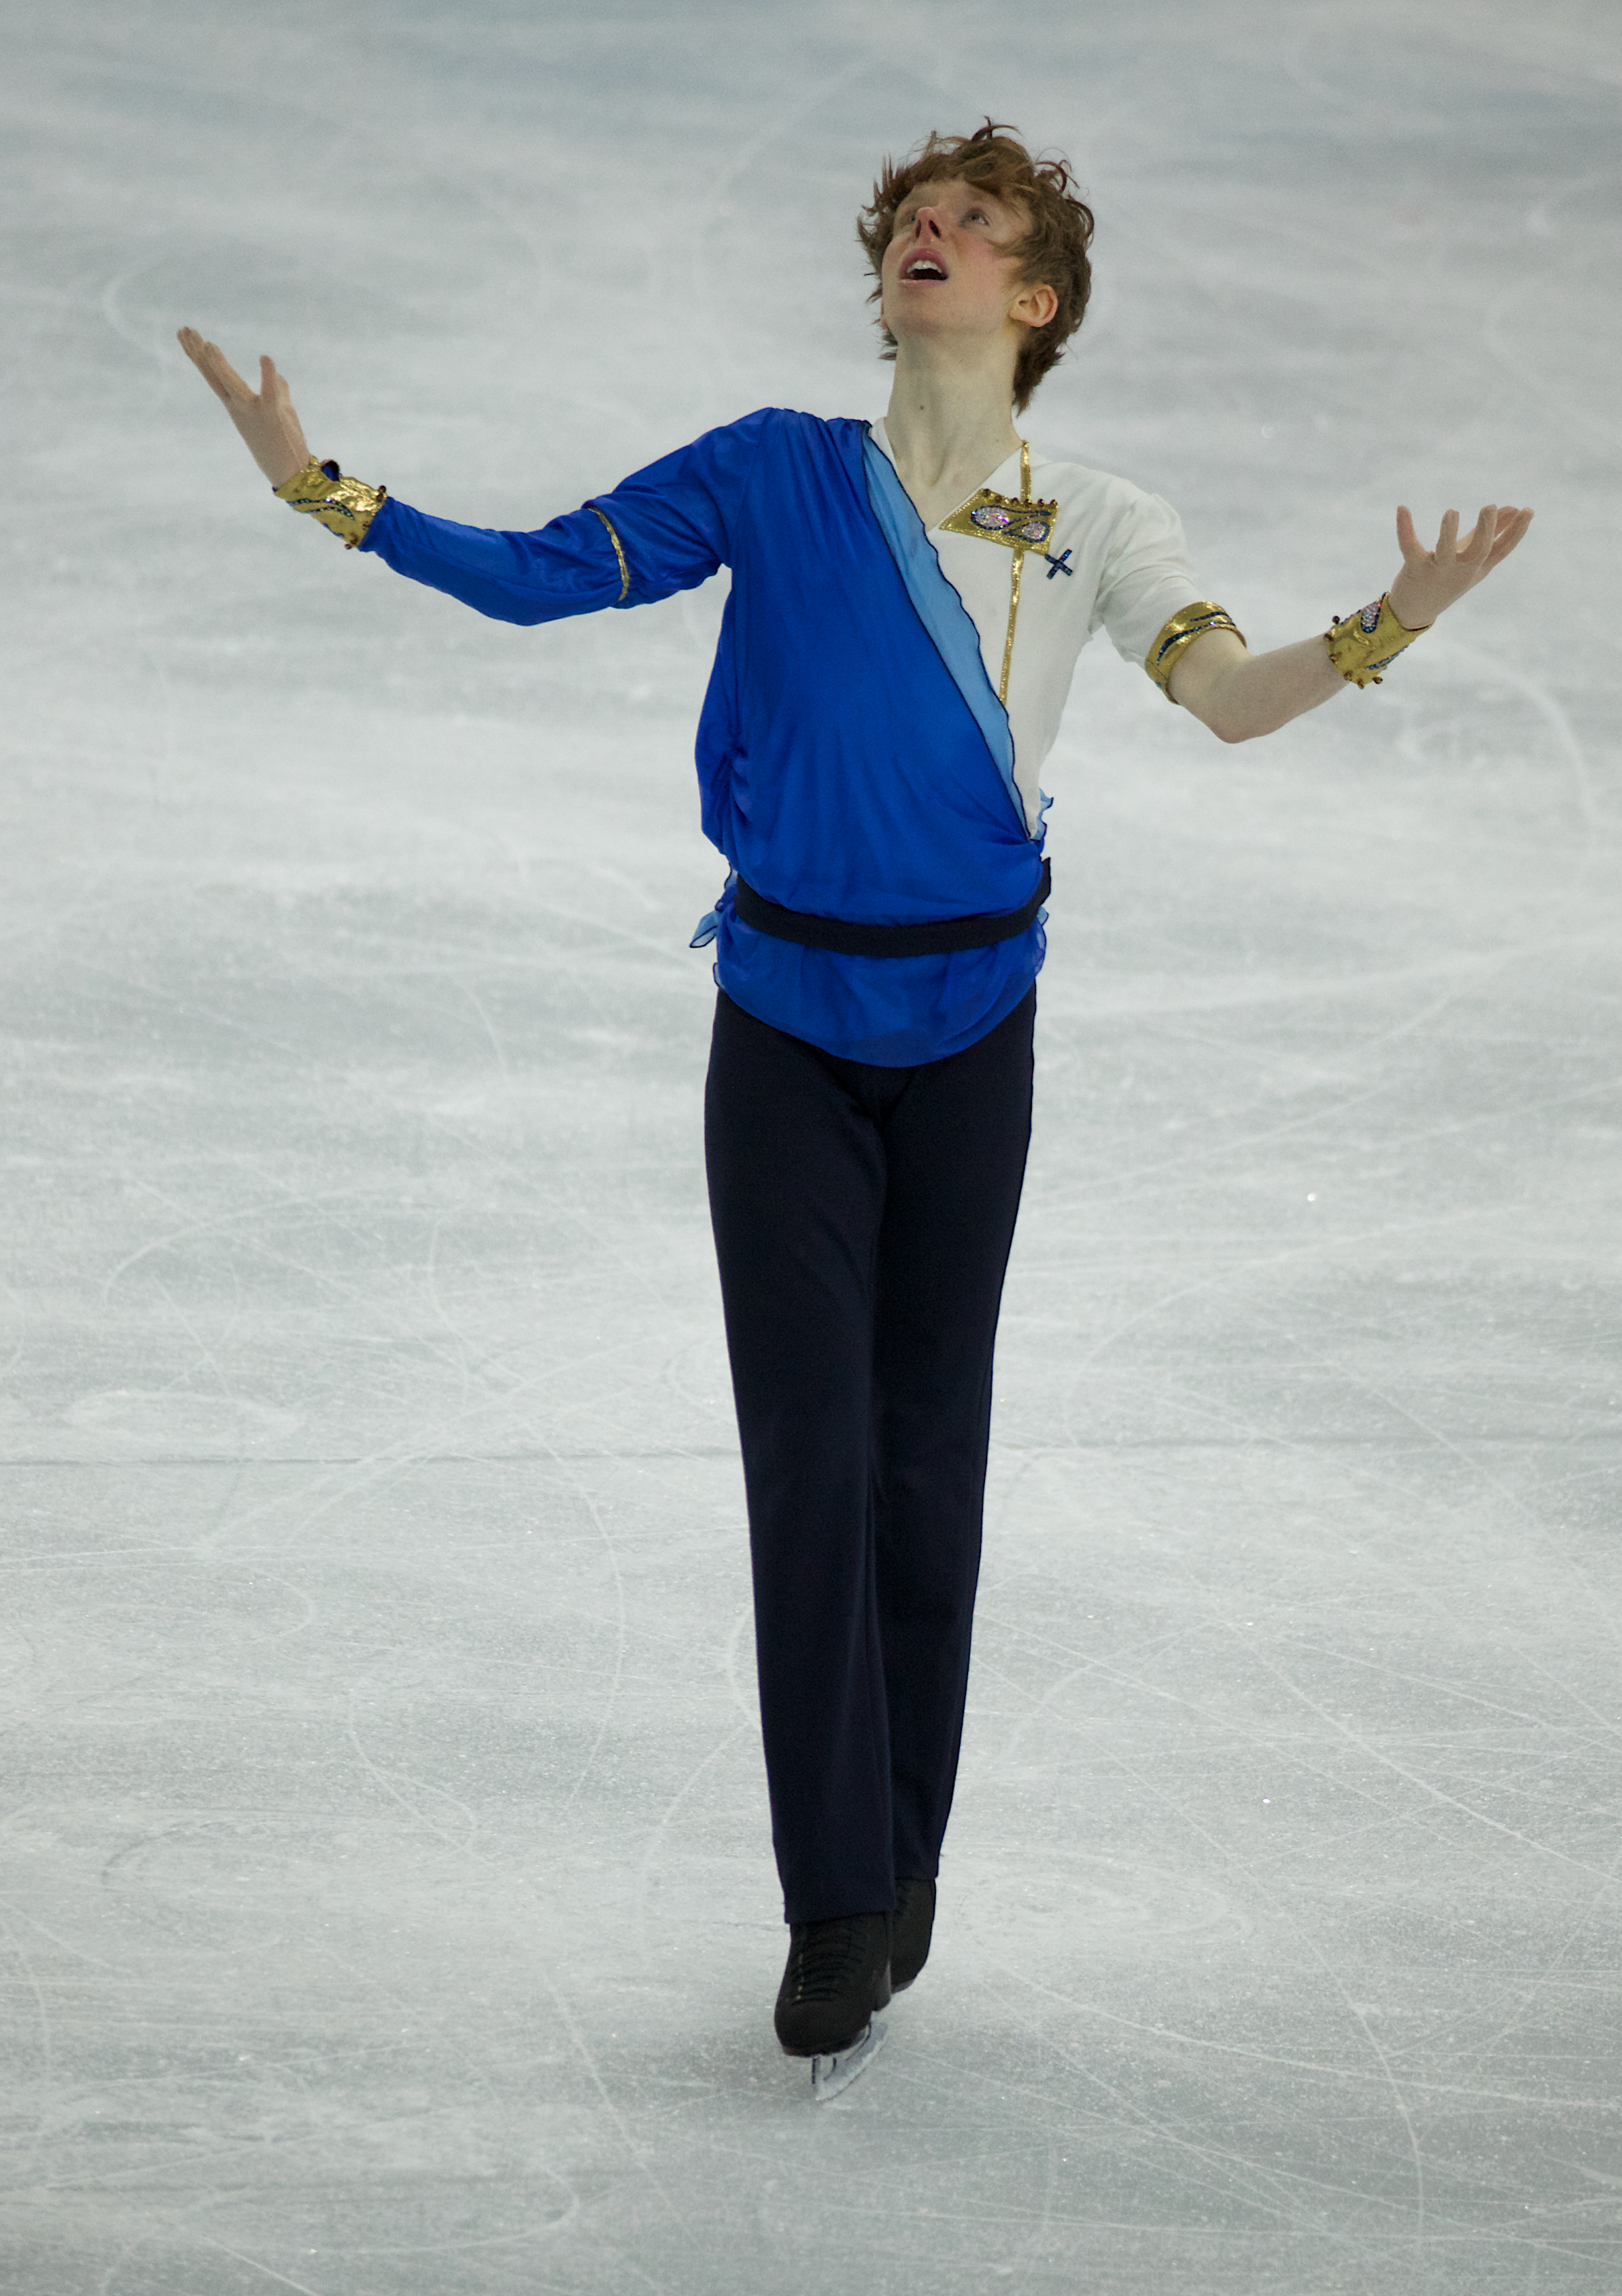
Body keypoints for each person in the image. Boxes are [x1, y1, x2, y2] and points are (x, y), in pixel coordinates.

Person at [179, 121, 1532, 2086]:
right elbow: (552, 573)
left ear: (1036, 297)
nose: (937, 232)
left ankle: (906, 1855)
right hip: (789, 1030)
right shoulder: (773, 470)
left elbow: (1225, 698)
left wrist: (1387, 623)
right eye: (921, 214)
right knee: (808, 1460)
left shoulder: (1099, 516)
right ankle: (834, 1897)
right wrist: (329, 491)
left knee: (926, 1458)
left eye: (981, 225)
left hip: (976, 1031)